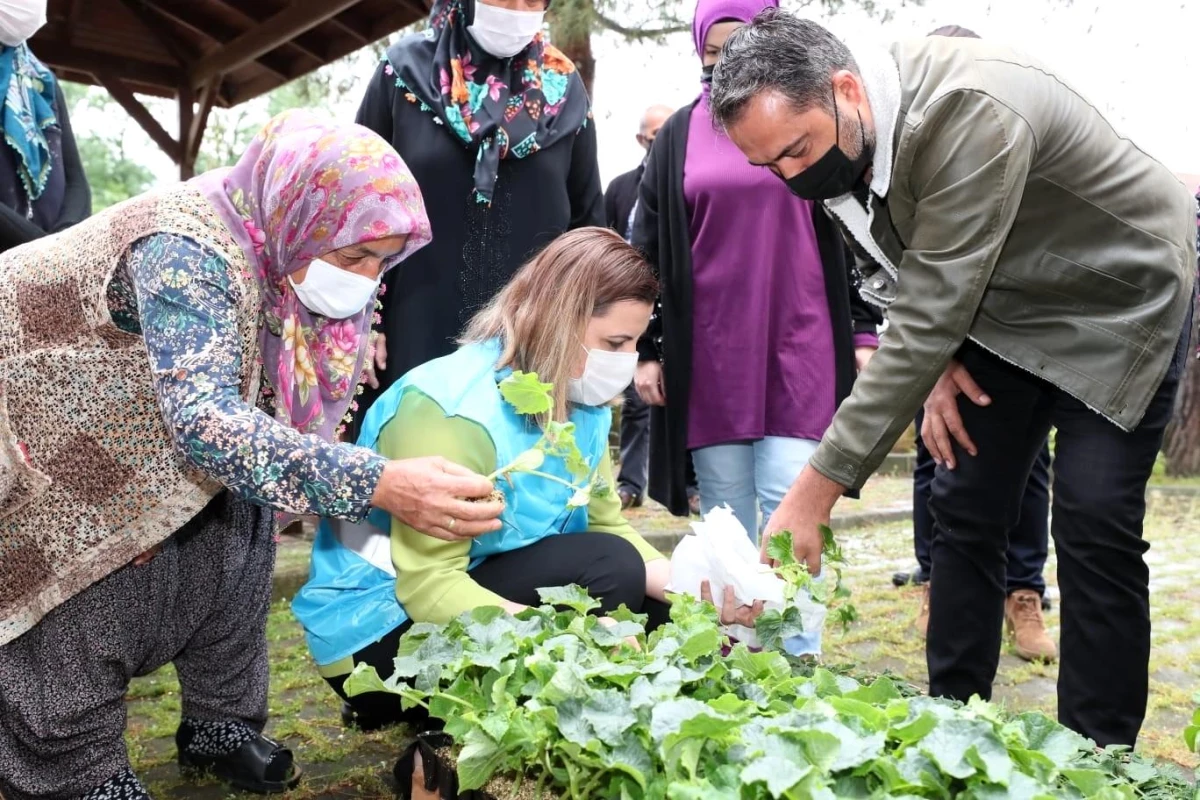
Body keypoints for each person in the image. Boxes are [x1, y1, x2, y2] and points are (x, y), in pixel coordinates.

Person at [709, 11, 1195, 746]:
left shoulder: (973, 108)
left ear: (846, 89)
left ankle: (1101, 757)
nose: (791, 176)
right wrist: (932, 368)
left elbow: (931, 309)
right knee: (964, 500)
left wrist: (814, 493)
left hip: (1117, 301)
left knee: (1094, 522)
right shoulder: (835, 140)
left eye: (797, 151)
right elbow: (888, 274)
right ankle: (953, 727)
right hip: (997, 307)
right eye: (769, 164)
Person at [0, 111, 506, 800]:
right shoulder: (186, 245)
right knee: (95, 566)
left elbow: (244, 421)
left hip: (138, 406)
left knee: (239, 531)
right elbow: (207, 422)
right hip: (45, 411)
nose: (365, 278)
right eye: (353, 255)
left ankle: (220, 725)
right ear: (306, 210)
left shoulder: (272, 243)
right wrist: (376, 481)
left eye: (380, 260)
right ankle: (74, 767)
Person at [295, 227, 763, 731]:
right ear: (558, 318)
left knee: (663, 618)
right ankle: (449, 730)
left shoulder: (582, 397)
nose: (626, 360)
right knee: (614, 578)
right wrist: (564, 633)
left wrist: (702, 592)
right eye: (615, 342)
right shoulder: (450, 411)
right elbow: (428, 585)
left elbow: (607, 526)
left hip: (476, 585)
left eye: (635, 343)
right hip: (379, 636)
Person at [633, 0, 881, 541]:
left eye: (741, 46)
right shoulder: (676, 135)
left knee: (791, 508)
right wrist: (648, 350)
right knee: (725, 516)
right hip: (712, 352)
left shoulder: (807, 118)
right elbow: (646, 249)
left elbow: (851, 229)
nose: (726, 65)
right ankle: (735, 630)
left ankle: (794, 632)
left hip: (803, 339)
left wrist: (862, 328)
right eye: (714, 52)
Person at [352, 0, 604, 440]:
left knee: (508, 488)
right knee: (410, 474)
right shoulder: (403, 71)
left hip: (525, 350)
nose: (518, 8)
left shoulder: (564, 90)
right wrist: (362, 323)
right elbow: (356, 204)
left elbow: (586, 228)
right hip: (409, 333)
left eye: (533, 1)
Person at [896, 24, 1056, 665]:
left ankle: (1023, 592)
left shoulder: (1010, 127)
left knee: (1029, 470)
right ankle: (940, 583)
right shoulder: (905, 149)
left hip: (1014, 336)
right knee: (935, 459)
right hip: (931, 333)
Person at [604, 103, 700, 513]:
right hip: (623, 311)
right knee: (634, 402)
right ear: (641, 140)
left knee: (682, 397)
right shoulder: (621, 187)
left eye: (666, 132)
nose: (660, 140)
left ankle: (692, 485)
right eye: (652, 134)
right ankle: (628, 484)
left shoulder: (686, 185)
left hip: (673, 311)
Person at [0, 0, 90, 253]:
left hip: (42, 273)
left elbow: (76, 183)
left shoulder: (41, 81)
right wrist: (43, 250)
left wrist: (67, 236)